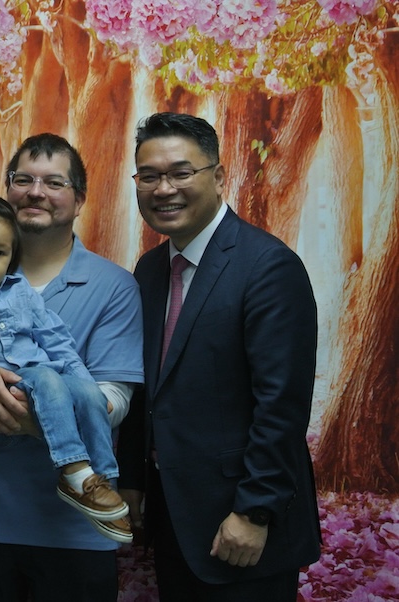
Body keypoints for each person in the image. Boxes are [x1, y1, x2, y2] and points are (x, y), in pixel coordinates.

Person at [0, 134, 144, 601]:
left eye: (54, 182)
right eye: (23, 179)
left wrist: (42, 414)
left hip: (75, 533)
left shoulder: (114, 287)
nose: (36, 192)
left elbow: (114, 400)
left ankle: (81, 477)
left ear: (79, 199)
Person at [117, 112, 321, 602]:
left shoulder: (267, 266)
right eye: (149, 176)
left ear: (220, 176)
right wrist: (133, 480)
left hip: (244, 527)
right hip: (173, 516)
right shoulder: (150, 270)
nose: (164, 189)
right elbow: (146, 387)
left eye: (181, 173)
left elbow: (282, 406)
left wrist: (254, 512)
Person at [0, 195, 130, 542]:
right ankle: (73, 472)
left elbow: (56, 340)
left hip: (40, 385)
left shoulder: (20, 292)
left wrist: (85, 388)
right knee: (47, 377)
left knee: (87, 391)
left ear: (11, 261)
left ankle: (101, 480)